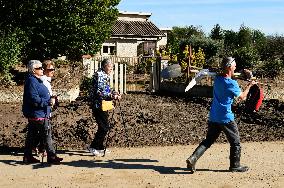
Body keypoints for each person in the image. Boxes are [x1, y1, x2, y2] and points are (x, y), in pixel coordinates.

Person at [186, 57, 256, 173]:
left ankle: (193, 158)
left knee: (208, 141)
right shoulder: (231, 83)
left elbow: (226, 76)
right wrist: (250, 85)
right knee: (235, 142)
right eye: (234, 66)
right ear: (229, 67)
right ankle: (235, 165)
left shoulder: (218, 79)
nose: (235, 67)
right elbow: (242, 97)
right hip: (226, 117)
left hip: (214, 116)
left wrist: (241, 76)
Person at [22, 60, 62, 164]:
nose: (42, 70)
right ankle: (51, 156)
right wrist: (48, 102)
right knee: (47, 134)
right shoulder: (32, 81)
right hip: (39, 113)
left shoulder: (36, 80)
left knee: (32, 136)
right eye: (40, 68)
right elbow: (33, 98)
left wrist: (51, 98)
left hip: (39, 113)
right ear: (33, 70)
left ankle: (27, 156)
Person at [88, 58, 121, 156]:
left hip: (103, 104)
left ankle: (100, 147)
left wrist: (114, 92)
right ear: (104, 66)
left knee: (104, 126)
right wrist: (112, 96)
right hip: (98, 104)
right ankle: (93, 147)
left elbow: (106, 89)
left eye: (112, 66)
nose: (111, 68)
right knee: (104, 127)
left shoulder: (104, 75)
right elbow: (99, 92)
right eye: (109, 66)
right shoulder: (100, 75)